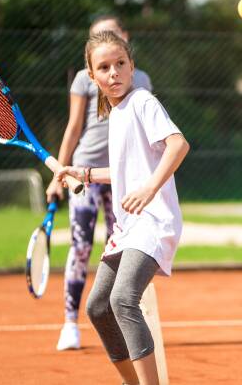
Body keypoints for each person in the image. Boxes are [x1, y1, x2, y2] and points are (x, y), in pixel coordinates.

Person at [56, 30, 189, 385]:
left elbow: (178, 145)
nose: (113, 72)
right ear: (91, 76)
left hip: (154, 221)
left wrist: (150, 187)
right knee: (98, 308)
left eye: (120, 64)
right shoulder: (115, 114)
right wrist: (82, 172)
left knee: (123, 300)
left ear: (132, 67)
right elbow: (126, 171)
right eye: (104, 67)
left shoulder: (143, 101)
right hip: (128, 227)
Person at [48, 16, 153, 351]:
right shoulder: (84, 79)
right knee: (80, 246)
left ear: (125, 38)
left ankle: (122, 319)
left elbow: (144, 129)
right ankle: (69, 323)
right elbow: (73, 126)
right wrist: (59, 172)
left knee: (121, 249)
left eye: (113, 33)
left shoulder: (140, 80)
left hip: (123, 177)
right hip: (85, 173)